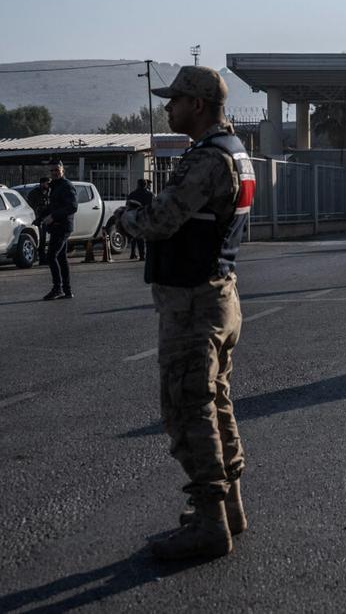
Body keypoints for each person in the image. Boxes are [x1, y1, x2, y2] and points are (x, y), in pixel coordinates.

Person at [111, 65, 257, 561]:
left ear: (196, 104)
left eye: (174, 101)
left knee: (187, 406)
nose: (167, 108)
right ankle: (229, 508)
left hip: (195, 300)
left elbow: (160, 219)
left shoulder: (209, 159)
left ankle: (210, 523)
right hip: (218, 291)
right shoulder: (232, 152)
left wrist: (126, 220)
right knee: (214, 401)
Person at [39, 162, 77, 300]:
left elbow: (72, 207)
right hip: (56, 226)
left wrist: (54, 216)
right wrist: (41, 217)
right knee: (61, 258)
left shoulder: (66, 186)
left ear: (62, 170)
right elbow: (54, 206)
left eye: (57, 170)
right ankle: (66, 290)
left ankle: (58, 288)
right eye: (52, 170)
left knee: (51, 256)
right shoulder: (55, 186)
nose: (54, 172)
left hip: (62, 226)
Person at [126, 179, 154, 260]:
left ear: (138, 185)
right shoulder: (150, 195)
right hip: (146, 217)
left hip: (134, 216)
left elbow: (127, 205)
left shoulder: (132, 194)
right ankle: (143, 255)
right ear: (146, 185)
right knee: (147, 237)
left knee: (135, 236)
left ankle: (133, 253)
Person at [26, 176, 51, 256]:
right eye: (47, 183)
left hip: (47, 218)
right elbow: (31, 206)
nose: (49, 185)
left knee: (47, 239)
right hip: (38, 218)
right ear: (42, 183)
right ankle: (41, 256)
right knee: (41, 239)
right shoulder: (34, 193)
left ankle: (44, 256)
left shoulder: (49, 192)